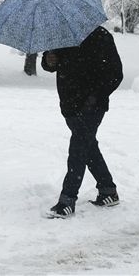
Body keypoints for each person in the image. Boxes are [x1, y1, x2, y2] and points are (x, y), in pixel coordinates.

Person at [41, 25, 124, 218]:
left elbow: (115, 74)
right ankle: (108, 190)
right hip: (69, 104)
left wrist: (95, 97)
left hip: (92, 107)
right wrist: (49, 60)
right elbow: (51, 64)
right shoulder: (60, 33)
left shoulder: (100, 36)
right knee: (88, 147)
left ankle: (67, 200)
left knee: (78, 149)